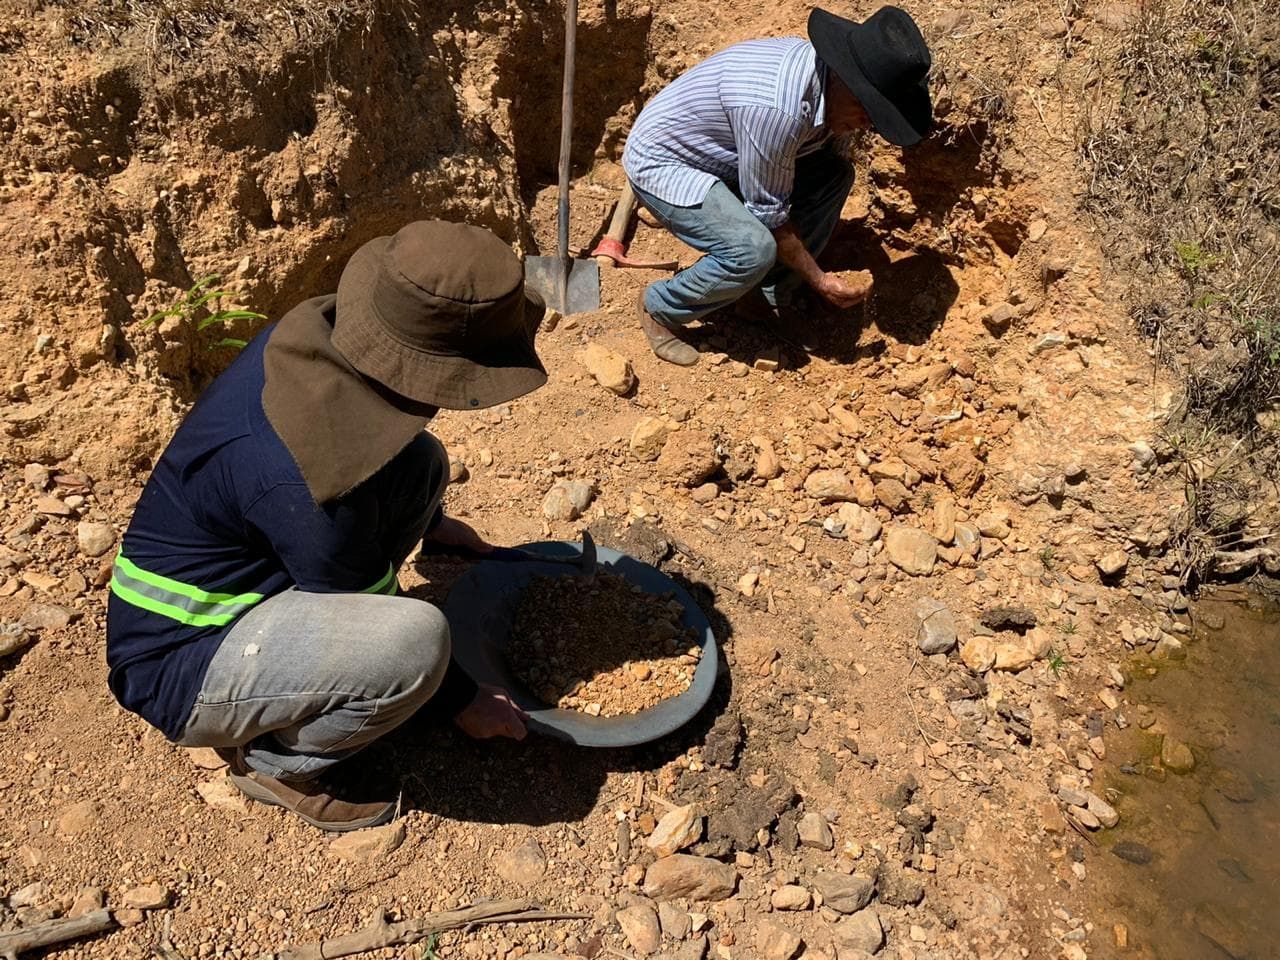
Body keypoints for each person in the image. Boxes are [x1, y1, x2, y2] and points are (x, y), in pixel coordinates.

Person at [106, 221, 543, 832]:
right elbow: (335, 537)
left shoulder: (322, 339)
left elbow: (375, 471)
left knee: (422, 462)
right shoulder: (306, 477)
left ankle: (322, 668)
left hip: (260, 563)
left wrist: (433, 520)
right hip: (183, 654)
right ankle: (278, 763)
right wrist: (463, 699)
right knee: (416, 643)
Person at [622, 5, 933, 365]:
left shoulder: (830, 92)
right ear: (842, 76)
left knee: (834, 176)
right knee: (751, 250)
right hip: (668, 161)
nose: (866, 124)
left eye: (876, 117)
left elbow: (790, 183)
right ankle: (661, 307)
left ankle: (763, 297)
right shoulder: (778, 108)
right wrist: (818, 279)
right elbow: (770, 214)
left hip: (730, 155)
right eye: (866, 109)